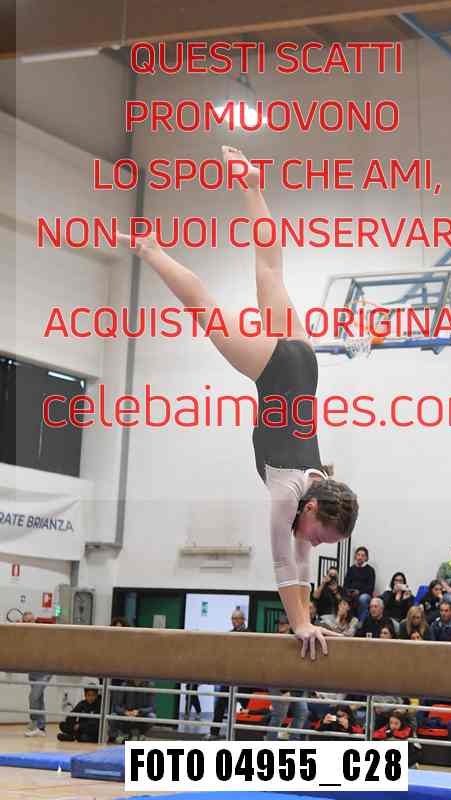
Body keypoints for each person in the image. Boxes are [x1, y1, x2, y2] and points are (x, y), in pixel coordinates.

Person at [118, 146, 359, 660]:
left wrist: (309, 620)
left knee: (270, 271)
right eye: (322, 536)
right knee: (204, 306)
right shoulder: (288, 493)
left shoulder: (315, 489)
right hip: (275, 371)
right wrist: (301, 625)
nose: (317, 544)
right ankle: (151, 250)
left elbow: (299, 558)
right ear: (311, 509)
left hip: (305, 365)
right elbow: (286, 563)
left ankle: (250, 183)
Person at [205, 608, 248, 739]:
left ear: (243, 619)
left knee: (246, 704)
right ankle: (214, 732)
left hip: (244, 676)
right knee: (220, 703)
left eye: (237, 618)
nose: (234, 621)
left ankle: (246, 734)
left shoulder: (249, 634)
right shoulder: (229, 634)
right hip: (230, 676)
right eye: (232, 618)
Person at [265, 615, 308, 740]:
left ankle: (294, 740)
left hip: (294, 682)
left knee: (302, 712)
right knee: (279, 715)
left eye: (283, 624)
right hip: (277, 682)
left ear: (289, 625)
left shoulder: (297, 639)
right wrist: (284, 690)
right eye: (279, 624)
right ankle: (270, 741)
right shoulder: (273, 640)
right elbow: (272, 664)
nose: (280, 626)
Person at [21, 612, 53, 738]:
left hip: (45, 670)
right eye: (25, 621)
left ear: (34, 620)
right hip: (33, 671)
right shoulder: (23, 636)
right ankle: (41, 727)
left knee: (33, 697)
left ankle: (35, 721)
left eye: (30, 620)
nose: (28, 623)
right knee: (39, 698)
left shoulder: (42, 632)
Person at [343, 547, 376, 621]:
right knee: (343, 598)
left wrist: (359, 592)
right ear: (355, 556)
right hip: (351, 593)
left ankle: (361, 623)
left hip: (364, 594)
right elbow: (345, 584)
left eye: (362, 555)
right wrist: (349, 591)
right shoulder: (351, 569)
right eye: (358, 555)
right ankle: (346, 622)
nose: (360, 557)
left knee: (362, 599)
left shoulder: (370, 570)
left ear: (366, 558)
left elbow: (371, 587)